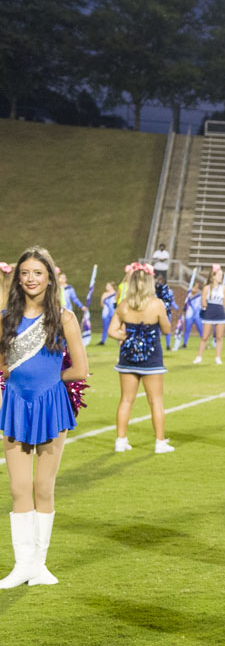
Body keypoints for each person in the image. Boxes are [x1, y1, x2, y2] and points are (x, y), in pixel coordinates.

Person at [0, 247, 89, 590]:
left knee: (43, 487)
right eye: (25, 273)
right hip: (16, 406)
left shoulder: (64, 318)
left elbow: (80, 369)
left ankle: (39, 564)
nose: (31, 279)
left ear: (49, 277)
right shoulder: (6, 317)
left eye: (38, 272)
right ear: (18, 278)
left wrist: (51, 382)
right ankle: (22, 565)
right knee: (18, 487)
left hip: (52, 406)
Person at [110, 263, 174, 454]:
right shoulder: (156, 304)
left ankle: (120, 440)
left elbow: (112, 331)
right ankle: (159, 442)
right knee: (155, 401)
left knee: (126, 400)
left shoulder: (123, 305)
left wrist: (128, 338)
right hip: (151, 360)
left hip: (127, 358)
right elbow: (166, 329)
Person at [193, 264, 225, 365]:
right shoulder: (206, 288)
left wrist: (219, 306)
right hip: (209, 312)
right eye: (219, 275)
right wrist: (207, 309)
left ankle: (218, 357)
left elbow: (224, 302)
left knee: (219, 337)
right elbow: (203, 302)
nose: (221, 277)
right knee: (204, 336)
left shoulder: (223, 288)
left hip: (220, 312)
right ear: (213, 276)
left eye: (221, 275)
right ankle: (199, 356)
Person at [179, 282, 203, 348]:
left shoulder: (199, 296)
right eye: (195, 287)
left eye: (197, 287)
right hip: (189, 315)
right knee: (187, 329)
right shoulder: (188, 295)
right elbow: (185, 305)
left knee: (201, 329)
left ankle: (204, 344)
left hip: (197, 315)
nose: (196, 289)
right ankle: (184, 344)